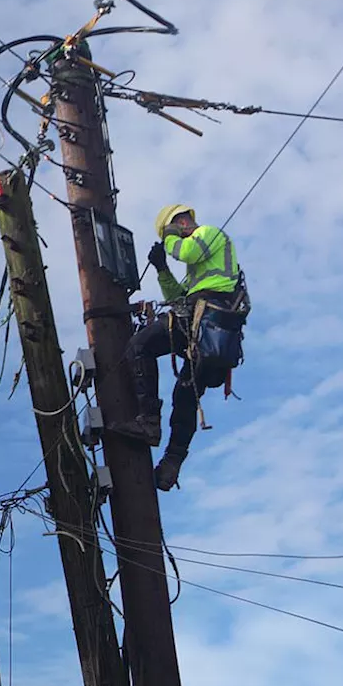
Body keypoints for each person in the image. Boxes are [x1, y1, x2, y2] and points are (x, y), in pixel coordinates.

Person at [112, 205, 247, 491]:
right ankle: (171, 465)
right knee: (183, 396)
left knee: (140, 346)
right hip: (207, 331)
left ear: (181, 223)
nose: (173, 237)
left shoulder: (210, 234)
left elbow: (185, 252)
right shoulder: (199, 270)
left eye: (173, 229)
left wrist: (170, 239)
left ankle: (149, 420)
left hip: (208, 322)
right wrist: (161, 268)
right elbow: (177, 299)